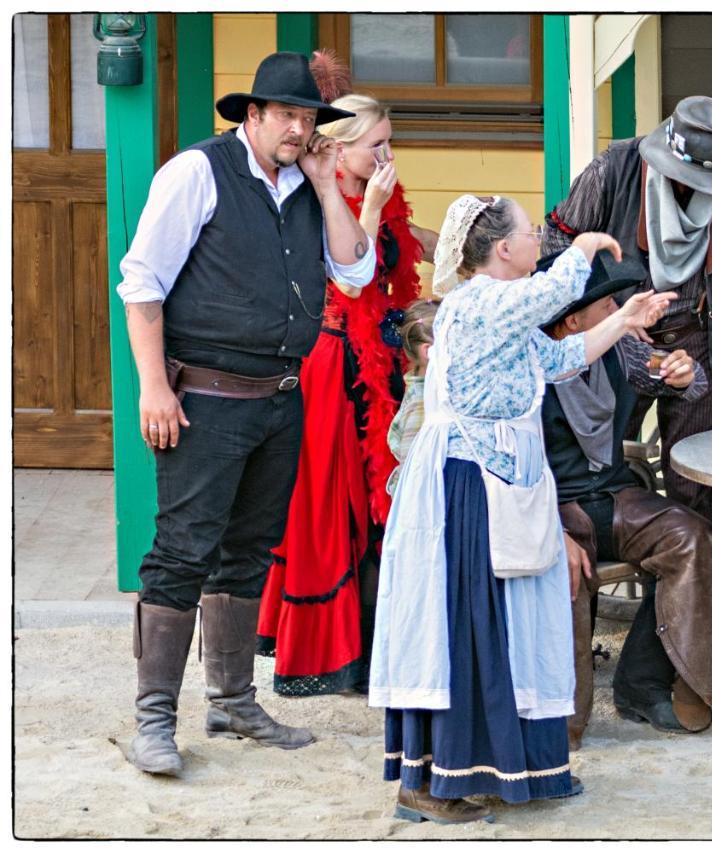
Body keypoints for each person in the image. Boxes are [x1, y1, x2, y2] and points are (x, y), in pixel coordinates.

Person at [369, 194, 675, 824]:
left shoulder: (503, 315)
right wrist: (586, 247)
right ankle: (436, 780)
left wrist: (625, 319)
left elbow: (560, 358)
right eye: (529, 232)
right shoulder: (483, 302)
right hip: (469, 485)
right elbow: (549, 297)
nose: (539, 238)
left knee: (506, 624)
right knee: (468, 623)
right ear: (503, 249)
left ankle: (510, 768)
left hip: (500, 479)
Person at [115, 52, 376, 776]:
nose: (299, 129)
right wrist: (152, 387)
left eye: (308, 119)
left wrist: (327, 185)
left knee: (250, 549)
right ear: (251, 115)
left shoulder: (305, 181)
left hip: (280, 400)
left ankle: (231, 696)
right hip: (201, 397)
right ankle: (154, 719)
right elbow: (142, 283)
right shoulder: (197, 173)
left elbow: (353, 270)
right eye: (286, 115)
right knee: (181, 551)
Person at [256, 58, 440, 697]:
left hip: (380, 361)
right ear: (338, 148)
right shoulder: (319, 198)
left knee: (381, 498)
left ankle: (376, 639)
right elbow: (350, 276)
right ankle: (330, 651)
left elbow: (401, 259)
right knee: (335, 503)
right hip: (334, 365)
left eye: (390, 142)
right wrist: (373, 209)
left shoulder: (381, 201)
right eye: (376, 144)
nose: (387, 154)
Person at [543, 95, 712, 527]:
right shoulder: (614, 170)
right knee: (598, 468)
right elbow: (557, 245)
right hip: (616, 340)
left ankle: (686, 574)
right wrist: (609, 319)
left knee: (695, 487)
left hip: (700, 335)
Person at [537, 251, 712, 748]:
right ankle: (561, 719)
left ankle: (644, 684)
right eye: (606, 304)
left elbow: (685, 384)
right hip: (553, 506)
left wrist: (686, 375)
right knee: (564, 572)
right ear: (571, 319)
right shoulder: (527, 367)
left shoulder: (620, 351)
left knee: (695, 539)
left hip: (619, 496)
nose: (617, 310)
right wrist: (549, 531)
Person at [385, 299, 439, 497]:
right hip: (420, 497)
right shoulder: (421, 404)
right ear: (427, 351)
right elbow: (413, 462)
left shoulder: (425, 391)